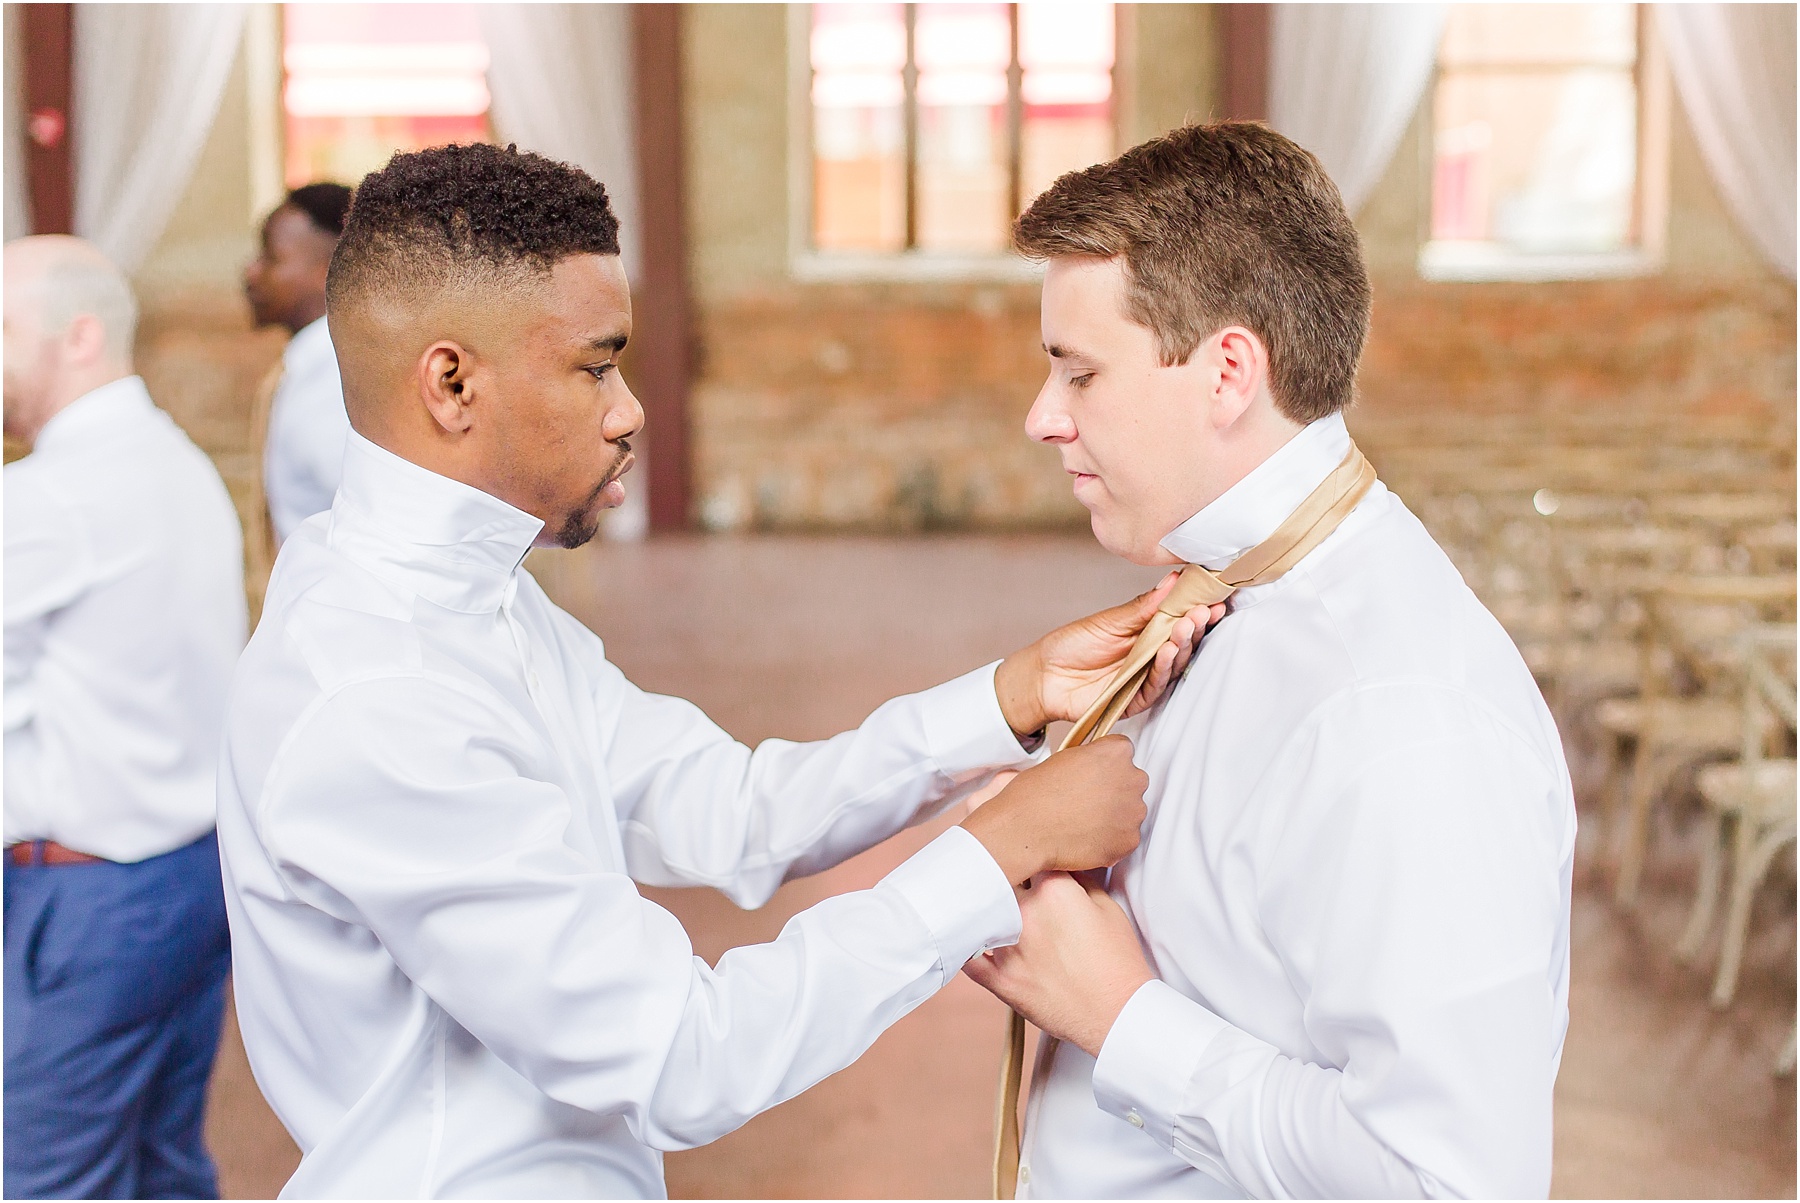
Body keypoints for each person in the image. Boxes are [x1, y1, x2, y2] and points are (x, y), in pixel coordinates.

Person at [217, 143, 1211, 1198]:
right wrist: (997, 849)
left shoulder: (468, 599)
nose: (629, 410)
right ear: (453, 383)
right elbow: (681, 1056)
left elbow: (726, 809)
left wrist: (1007, 700)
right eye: (596, 366)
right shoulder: (378, 695)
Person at [965, 122, 1577, 1198]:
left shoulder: (1398, 716)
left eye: (1079, 372)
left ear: (1228, 371)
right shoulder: (1221, 596)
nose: (1042, 417)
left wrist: (1121, 1021)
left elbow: (1447, 1181)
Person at [3, 236, 248, 1197]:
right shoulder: (173, 461)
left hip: (91, 901)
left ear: (81, 335)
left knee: (42, 1176)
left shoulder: (51, 495)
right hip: (186, 871)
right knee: (158, 1163)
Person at [245, 182, 353, 544]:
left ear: (327, 270)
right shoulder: (308, 365)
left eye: (271, 257)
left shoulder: (338, 380)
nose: (251, 271)